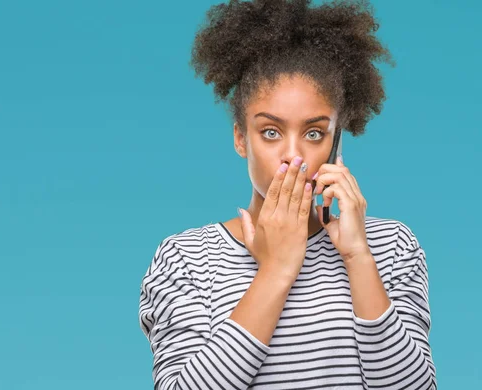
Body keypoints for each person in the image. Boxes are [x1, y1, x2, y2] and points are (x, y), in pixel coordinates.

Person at [138, 0, 436, 388]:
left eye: (314, 134)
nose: (293, 155)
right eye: (271, 132)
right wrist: (276, 270)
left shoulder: (390, 245)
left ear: (336, 142)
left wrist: (358, 256)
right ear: (240, 139)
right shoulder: (188, 259)